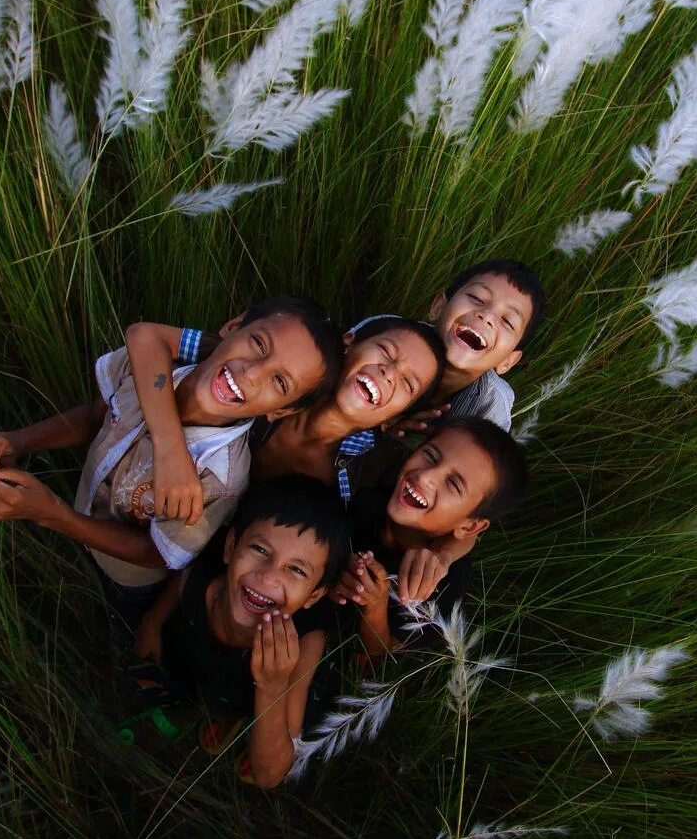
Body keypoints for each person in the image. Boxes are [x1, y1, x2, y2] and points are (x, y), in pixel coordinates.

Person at [0, 296, 344, 652]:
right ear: (232, 326)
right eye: (259, 344)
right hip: (69, 509)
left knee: (104, 636)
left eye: (280, 382)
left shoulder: (220, 478)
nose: (253, 373)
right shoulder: (153, 369)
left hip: (127, 581)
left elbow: (155, 553)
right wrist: (17, 441)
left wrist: (52, 514)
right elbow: (99, 414)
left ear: (283, 411)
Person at [141, 476, 350, 789]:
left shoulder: (306, 640)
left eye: (296, 570)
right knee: (196, 684)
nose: (267, 577)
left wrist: (271, 685)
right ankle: (217, 712)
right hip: (201, 663)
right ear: (230, 547)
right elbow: (173, 594)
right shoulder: (203, 575)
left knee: (260, 726)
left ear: (314, 596)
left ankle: (243, 722)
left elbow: (269, 776)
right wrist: (152, 626)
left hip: (264, 697)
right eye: (260, 549)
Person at [123, 314, 447, 510]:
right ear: (347, 343)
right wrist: (170, 448)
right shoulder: (261, 365)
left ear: (392, 419)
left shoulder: (344, 484)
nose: (389, 372)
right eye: (387, 352)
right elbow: (149, 338)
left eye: (407, 383)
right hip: (130, 464)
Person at [331, 418, 528, 659]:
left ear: (470, 526)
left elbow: (378, 665)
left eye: (453, 484)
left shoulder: (445, 586)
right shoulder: (374, 481)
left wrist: (374, 607)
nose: (426, 477)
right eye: (431, 456)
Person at [368, 258, 546, 433]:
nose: (487, 316)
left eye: (507, 321)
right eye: (477, 298)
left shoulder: (490, 405)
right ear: (438, 307)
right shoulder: (382, 334)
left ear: (507, 361)